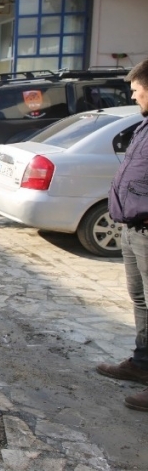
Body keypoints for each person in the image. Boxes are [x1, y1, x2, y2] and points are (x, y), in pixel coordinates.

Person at [99, 58, 148, 411]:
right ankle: (142, 364)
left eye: (136, 90)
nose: (133, 96)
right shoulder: (145, 126)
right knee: (141, 299)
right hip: (132, 229)